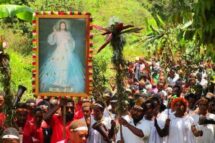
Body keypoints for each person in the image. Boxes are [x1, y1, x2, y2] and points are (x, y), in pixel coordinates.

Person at [40, 20, 85, 93]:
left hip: (67, 52)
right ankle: (58, 81)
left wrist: (69, 40)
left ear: (65, 26)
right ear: (59, 26)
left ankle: (64, 82)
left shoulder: (68, 33)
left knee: (66, 66)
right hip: (58, 52)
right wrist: (53, 33)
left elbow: (72, 43)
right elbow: (51, 41)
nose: (63, 26)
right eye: (61, 25)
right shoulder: (57, 33)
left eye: (64, 25)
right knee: (58, 66)